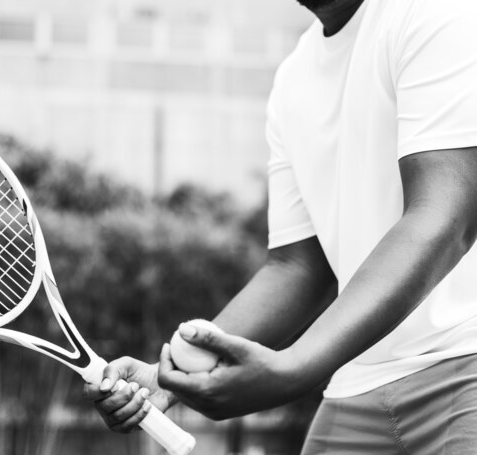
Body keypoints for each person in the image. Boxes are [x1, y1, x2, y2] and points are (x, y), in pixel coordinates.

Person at [83, 0, 477, 452]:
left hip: (465, 362)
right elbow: (297, 267)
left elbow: (444, 218)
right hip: (358, 384)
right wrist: (170, 378)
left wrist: (293, 368)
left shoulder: (434, 12)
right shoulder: (293, 78)